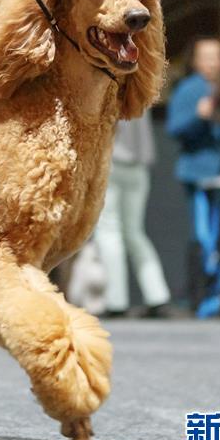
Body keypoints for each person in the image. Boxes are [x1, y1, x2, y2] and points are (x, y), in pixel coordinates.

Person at [166, 36, 220, 317]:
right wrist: (200, 116)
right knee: (204, 236)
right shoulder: (189, 89)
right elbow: (175, 128)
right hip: (199, 175)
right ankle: (201, 299)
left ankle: (218, 297)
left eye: (216, 56)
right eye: (205, 56)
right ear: (195, 61)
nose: (211, 62)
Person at [93, 110, 173, 317]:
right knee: (134, 232)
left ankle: (116, 301)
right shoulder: (139, 85)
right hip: (138, 166)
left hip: (111, 161)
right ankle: (158, 296)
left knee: (109, 231)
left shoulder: (107, 82)